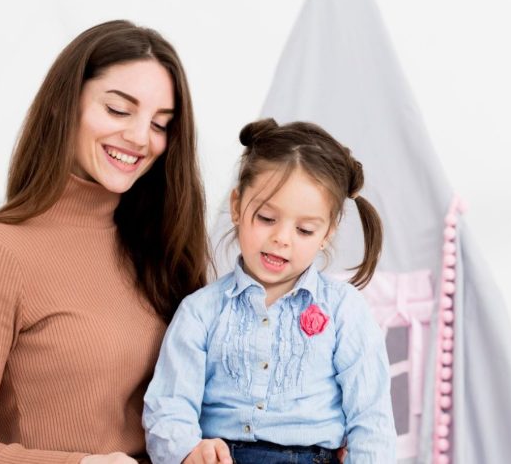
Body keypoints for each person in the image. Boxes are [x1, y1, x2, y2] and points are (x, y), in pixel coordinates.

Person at [0, 20, 209, 464]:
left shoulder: (163, 247)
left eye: (160, 123)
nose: (141, 138)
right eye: (118, 110)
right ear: (66, 104)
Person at [143, 118, 397, 464]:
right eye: (266, 218)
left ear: (327, 234)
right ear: (237, 206)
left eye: (304, 230)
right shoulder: (200, 311)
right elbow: (168, 405)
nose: (281, 238)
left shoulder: (345, 310)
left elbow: (371, 419)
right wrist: (189, 451)